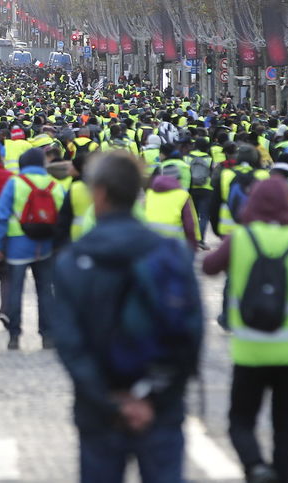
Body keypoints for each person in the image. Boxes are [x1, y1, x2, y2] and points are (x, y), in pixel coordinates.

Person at [50, 151, 202, 483]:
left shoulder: (74, 259)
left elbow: (69, 342)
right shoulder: (170, 253)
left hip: (98, 408)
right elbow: (191, 333)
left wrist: (111, 402)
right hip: (160, 408)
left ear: (100, 192)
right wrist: (153, 396)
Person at [202, 177, 288, 483]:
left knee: (240, 422)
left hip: (250, 351)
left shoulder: (241, 239)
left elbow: (208, 266)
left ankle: (256, 467)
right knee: (286, 428)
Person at [0, 147, 66, 350]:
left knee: (15, 290)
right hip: (46, 244)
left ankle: (14, 335)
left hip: (18, 244)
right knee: (45, 291)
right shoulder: (55, 185)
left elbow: (1, 215)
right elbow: (64, 217)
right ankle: (47, 335)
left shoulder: (15, 183)